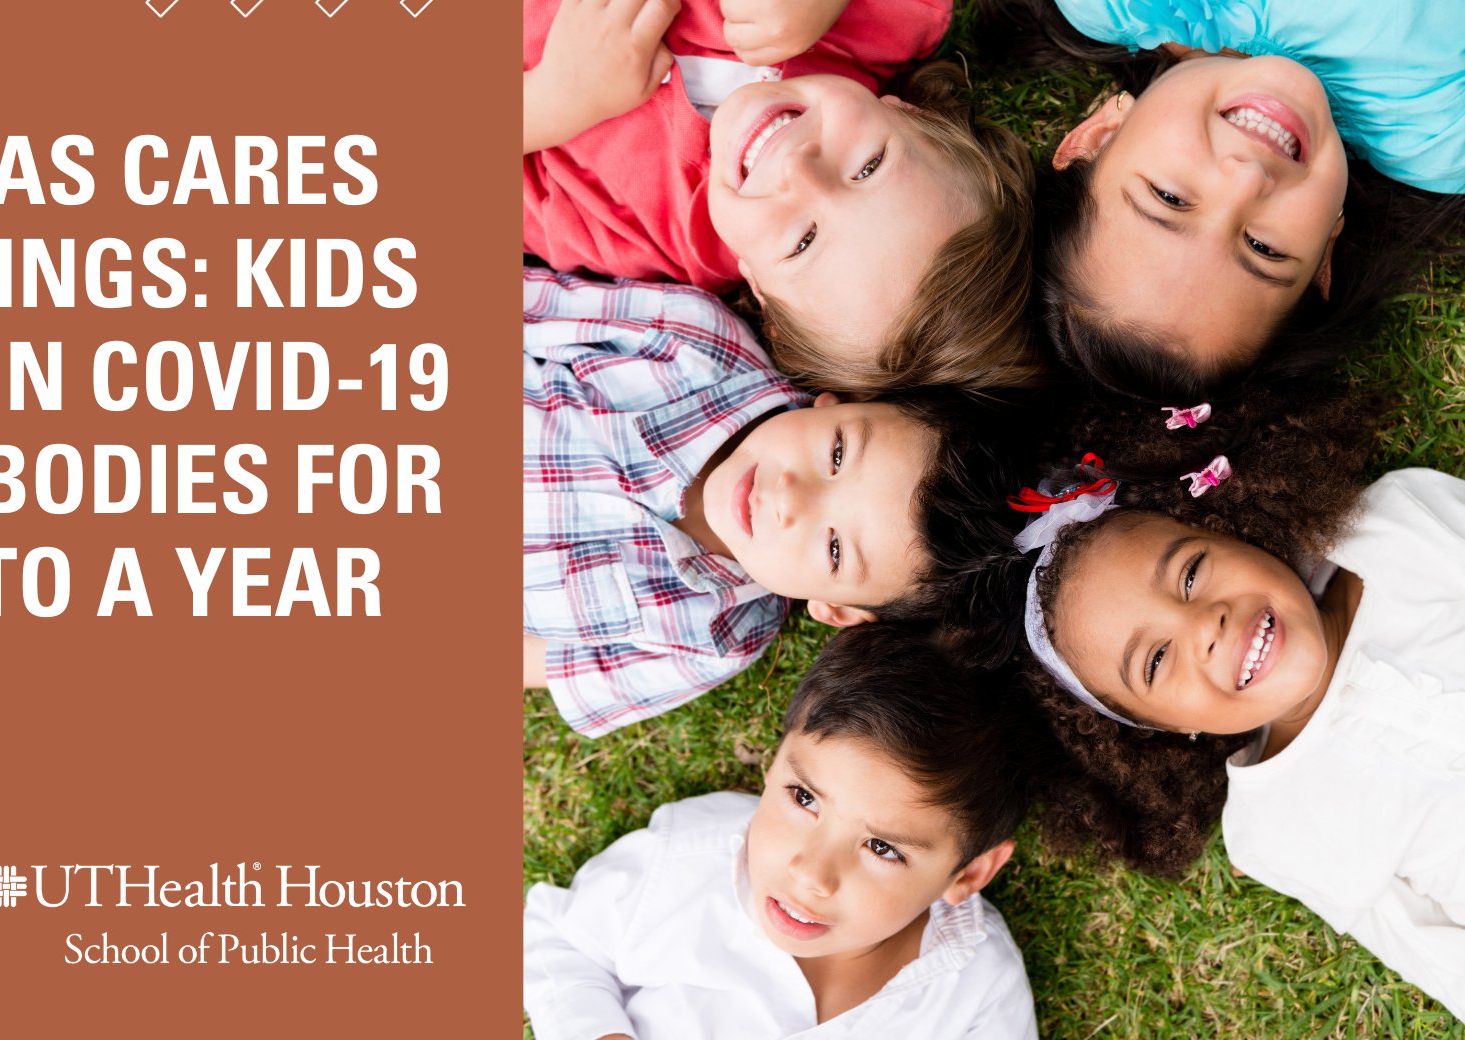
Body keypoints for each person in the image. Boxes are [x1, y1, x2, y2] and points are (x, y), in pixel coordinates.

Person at [992, 399, 1464, 1016]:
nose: (1204, 626)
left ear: (1230, 529)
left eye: (1190, 574)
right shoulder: (1271, 830)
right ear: (1168, 730)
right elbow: (1422, 945)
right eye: (1155, 662)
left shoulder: (1394, 526)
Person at [523, 0, 1040, 395]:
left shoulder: (651, 239)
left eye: (804, 241)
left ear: (760, 291)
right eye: (868, 167)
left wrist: (555, 98)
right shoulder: (873, 13)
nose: (800, 169)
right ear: (915, 116)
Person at [977, 0, 1463, 402]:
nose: (1247, 179)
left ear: (1097, 138)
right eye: (1264, 248)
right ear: (1324, 257)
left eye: (1171, 199)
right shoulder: (1437, 138)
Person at [522, 266, 1031, 736]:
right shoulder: (693, 344)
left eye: (834, 549)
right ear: (840, 400)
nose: (790, 499)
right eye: (836, 453)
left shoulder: (715, 641)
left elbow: (548, 664)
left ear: (836, 609)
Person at [524, 625, 1040, 1039]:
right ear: (774, 765)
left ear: (971, 871)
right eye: (804, 798)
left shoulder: (977, 989)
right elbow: (560, 941)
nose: (810, 872)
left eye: (882, 848)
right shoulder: (687, 863)